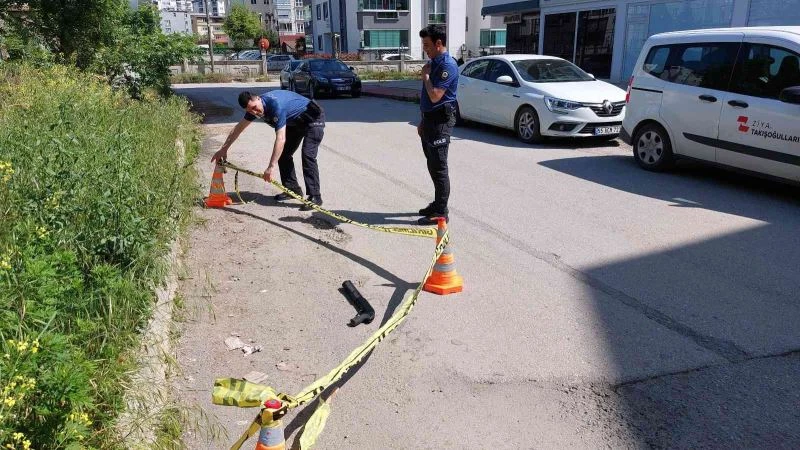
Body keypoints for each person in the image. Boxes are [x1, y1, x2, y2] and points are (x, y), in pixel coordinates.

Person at [211, 90, 325, 210]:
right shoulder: (253, 110)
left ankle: (315, 197)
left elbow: (280, 139)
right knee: (283, 155)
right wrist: (223, 149)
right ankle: (292, 189)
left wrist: (271, 166)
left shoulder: (275, 105)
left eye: (255, 107)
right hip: (294, 123)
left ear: (258, 98)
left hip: (312, 117)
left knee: (308, 155)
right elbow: (238, 128)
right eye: (250, 110)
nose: (255, 112)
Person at [416, 25, 459, 226]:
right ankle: (437, 204)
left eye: (427, 44)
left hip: (441, 122)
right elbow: (427, 99)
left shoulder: (447, 66)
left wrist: (425, 77)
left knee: (439, 167)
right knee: (432, 165)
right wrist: (423, 121)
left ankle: (441, 211)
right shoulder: (433, 62)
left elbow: (435, 96)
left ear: (438, 43)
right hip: (430, 121)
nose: (424, 48)